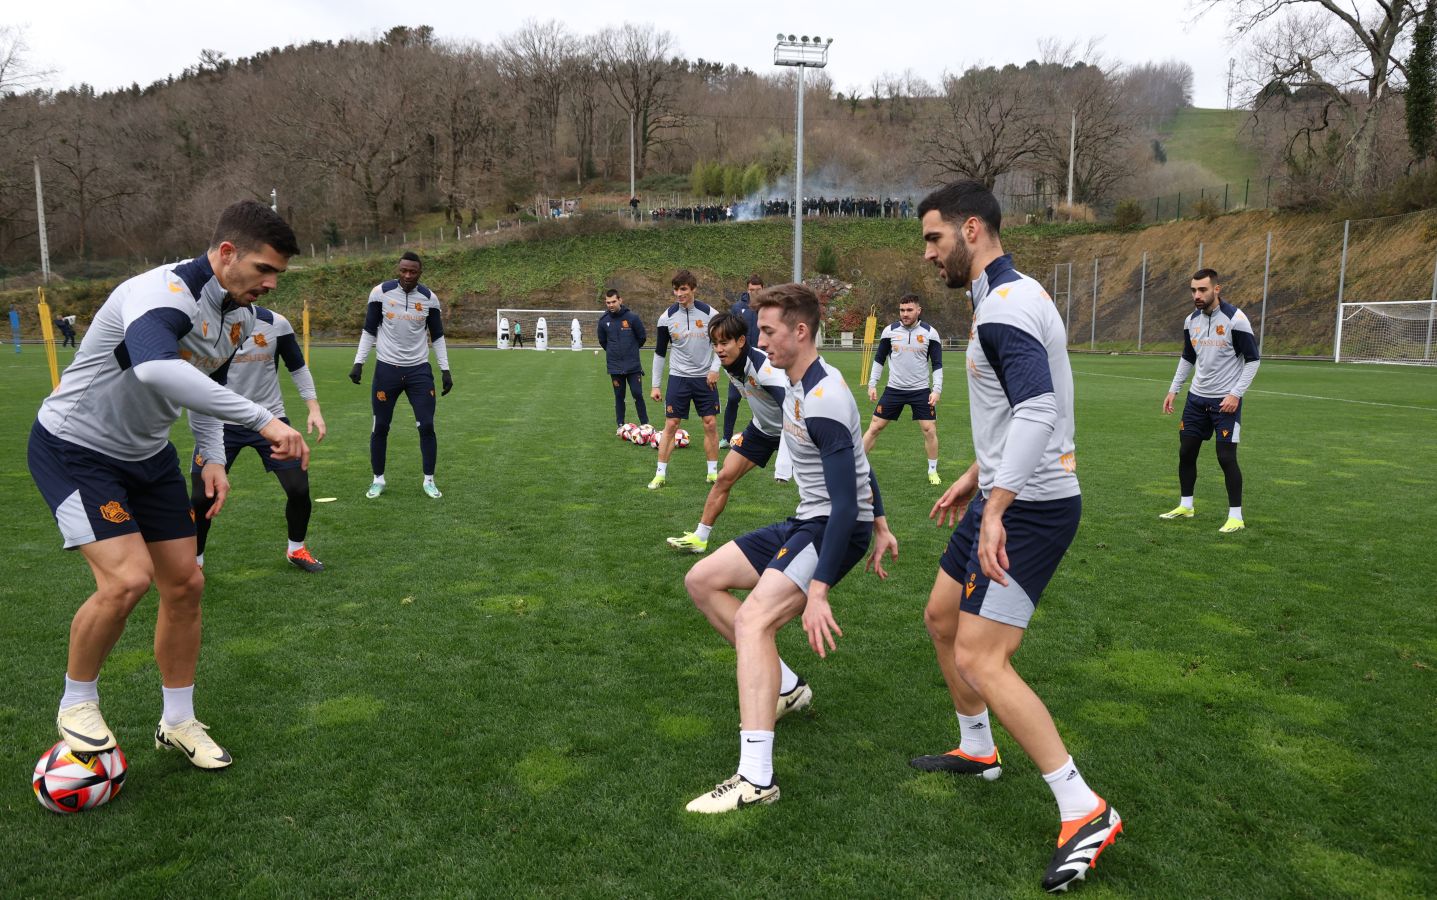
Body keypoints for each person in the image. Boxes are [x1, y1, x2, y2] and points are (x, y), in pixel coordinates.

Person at [27, 200, 308, 771]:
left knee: (186, 584)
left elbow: (202, 383)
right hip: (76, 448)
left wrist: (210, 453)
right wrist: (263, 419)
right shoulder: (162, 292)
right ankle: (76, 703)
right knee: (128, 579)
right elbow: (157, 368)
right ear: (227, 253)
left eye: (278, 274)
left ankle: (178, 722)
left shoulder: (240, 317)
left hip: (150, 456)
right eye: (263, 269)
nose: (271, 284)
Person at [910, 180, 1121, 893]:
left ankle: (1083, 808)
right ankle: (978, 751)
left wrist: (997, 506)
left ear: (972, 228)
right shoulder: (1001, 294)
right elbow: (1023, 409)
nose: (928, 255)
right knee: (942, 617)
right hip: (1005, 490)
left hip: (1032, 506)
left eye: (934, 239)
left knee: (982, 655)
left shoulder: (1002, 308)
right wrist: (978, 476)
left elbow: (1036, 412)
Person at [683, 283, 898, 814]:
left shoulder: (822, 399)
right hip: (807, 519)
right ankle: (785, 687)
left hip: (831, 528)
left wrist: (819, 588)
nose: (762, 341)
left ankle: (755, 778)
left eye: (770, 331)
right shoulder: (793, 379)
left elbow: (846, 505)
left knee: (755, 622)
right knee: (702, 581)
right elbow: (859, 467)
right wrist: (886, 522)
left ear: (801, 332)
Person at [190, 305, 327, 572]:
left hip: (269, 420)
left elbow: (297, 367)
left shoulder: (276, 323)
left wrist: (314, 409)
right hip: (219, 423)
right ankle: (194, 561)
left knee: (299, 489)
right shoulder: (204, 321)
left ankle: (296, 549)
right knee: (201, 497)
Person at [666, 311, 789, 554]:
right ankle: (700, 538)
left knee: (823, 485)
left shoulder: (765, 369)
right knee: (723, 478)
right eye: (715, 344)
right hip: (762, 429)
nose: (719, 349)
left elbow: (792, 413)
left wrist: (784, 465)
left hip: (797, 429)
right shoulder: (730, 366)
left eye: (724, 343)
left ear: (741, 341)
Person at [1161, 268, 1261, 533]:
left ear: (1216, 289)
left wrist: (1235, 394)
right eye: (1193, 290)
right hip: (1196, 400)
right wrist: (1174, 389)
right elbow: (1187, 357)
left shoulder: (1236, 319)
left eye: (1202, 289)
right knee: (1186, 453)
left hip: (1225, 402)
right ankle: (1186, 505)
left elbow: (1253, 360)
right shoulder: (1190, 321)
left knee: (1226, 457)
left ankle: (1236, 517)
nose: (1197, 294)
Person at [349, 251, 453, 500]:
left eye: (412, 271)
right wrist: (358, 362)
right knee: (381, 426)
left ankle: (429, 480)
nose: (407, 275)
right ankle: (378, 480)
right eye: (403, 270)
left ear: (420, 272)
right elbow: (369, 330)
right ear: (399, 270)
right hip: (387, 370)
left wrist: (445, 370)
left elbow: (437, 336)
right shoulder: (380, 293)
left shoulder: (429, 299)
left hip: (419, 370)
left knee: (427, 425)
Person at [862, 293, 945, 485]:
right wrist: (872, 384)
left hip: (921, 390)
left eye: (909, 310)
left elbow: (937, 364)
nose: (905, 314)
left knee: (929, 429)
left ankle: (932, 471)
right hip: (894, 390)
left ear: (918, 310)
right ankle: (857, 466)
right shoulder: (889, 331)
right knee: (875, 427)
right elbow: (879, 359)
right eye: (902, 310)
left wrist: (937, 389)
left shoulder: (930, 333)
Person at [648, 269, 720, 489]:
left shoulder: (711, 314)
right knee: (671, 424)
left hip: (704, 378)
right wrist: (655, 385)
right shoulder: (666, 318)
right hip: (678, 378)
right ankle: (660, 475)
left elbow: (720, 344)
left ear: (693, 289)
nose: (679, 294)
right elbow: (660, 352)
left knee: (710, 423)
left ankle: (713, 474)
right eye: (676, 289)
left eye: (683, 289)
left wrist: (715, 368)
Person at [721, 275, 763, 448]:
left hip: (760, 362)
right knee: (732, 398)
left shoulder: (768, 307)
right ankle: (726, 437)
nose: (754, 293)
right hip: (739, 362)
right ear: (747, 290)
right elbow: (729, 330)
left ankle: (759, 435)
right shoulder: (738, 308)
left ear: (763, 289)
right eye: (751, 290)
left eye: (757, 290)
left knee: (760, 400)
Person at [597, 289, 648, 428]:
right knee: (619, 396)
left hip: (633, 365)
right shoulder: (603, 321)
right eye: (608, 302)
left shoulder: (632, 318)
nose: (611, 305)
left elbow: (642, 337)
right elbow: (603, 341)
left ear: (620, 300)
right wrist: (614, 352)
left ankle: (645, 425)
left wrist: (630, 350)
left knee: (637, 394)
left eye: (613, 301)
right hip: (615, 366)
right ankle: (620, 425)